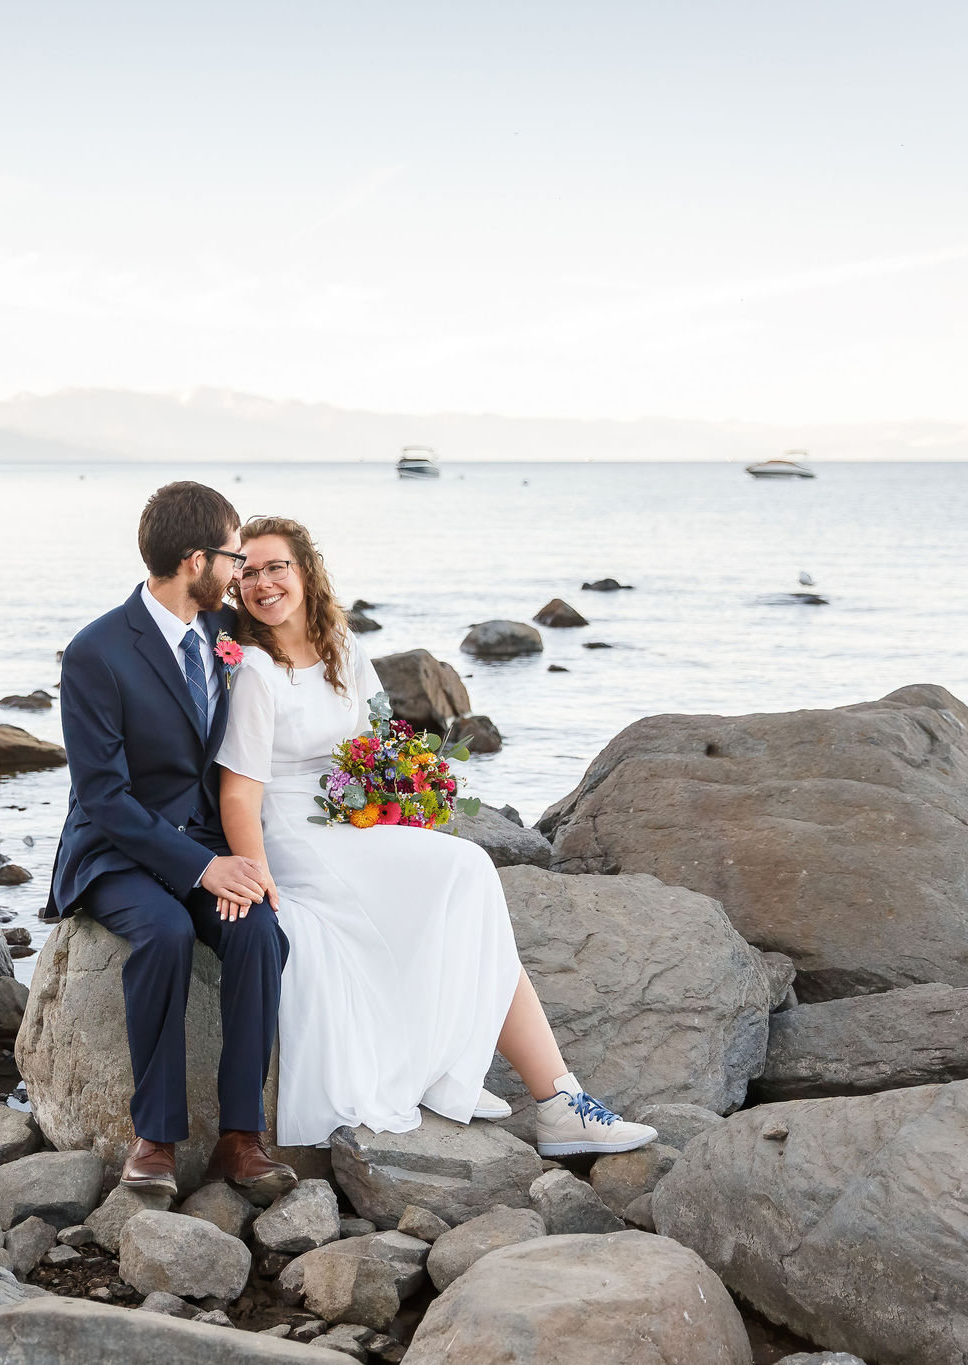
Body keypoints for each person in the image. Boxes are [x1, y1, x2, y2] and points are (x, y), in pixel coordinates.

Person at [214, 515, 659, 1156]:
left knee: (463, 888)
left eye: (275, 566)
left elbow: (375, 744)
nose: (262, 583)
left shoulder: (341, 646)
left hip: (349, 816)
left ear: (306, 569)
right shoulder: (256, 671)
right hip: (296, 832)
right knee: (468, 869)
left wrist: (402, 800)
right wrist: (258, 877)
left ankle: (544, 1094)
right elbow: (238, 793)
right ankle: (552, 1099)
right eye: (247, 572)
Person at [45, 482, 299, 1200]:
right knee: (162, 935)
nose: (242, 569)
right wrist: (203, 865)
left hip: (204, 844)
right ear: (195, 560)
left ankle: (240, 1139)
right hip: (116, 850)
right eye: (232, 556)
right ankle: (155, 1137)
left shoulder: (221, 637)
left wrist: (230, 861)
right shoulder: (98, 651)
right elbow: (103, 796)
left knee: (259, 933)